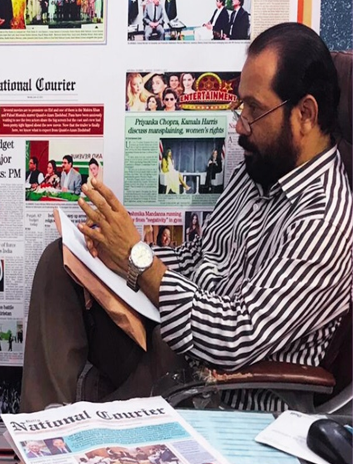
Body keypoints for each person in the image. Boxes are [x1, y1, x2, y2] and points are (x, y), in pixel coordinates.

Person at [20, 22, 352, 414]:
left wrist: (137, 259)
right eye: (240, 106)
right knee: (63, 263)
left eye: (255, 110)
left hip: (224, 390)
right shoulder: (260, 169)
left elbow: (236, 336)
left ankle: (76, 433)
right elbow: (197, 256)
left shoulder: (324, 220)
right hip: (180, 350)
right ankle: (47, 435)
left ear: (306, 114)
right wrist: (114, 255)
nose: (240, 126)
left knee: (164, 343)